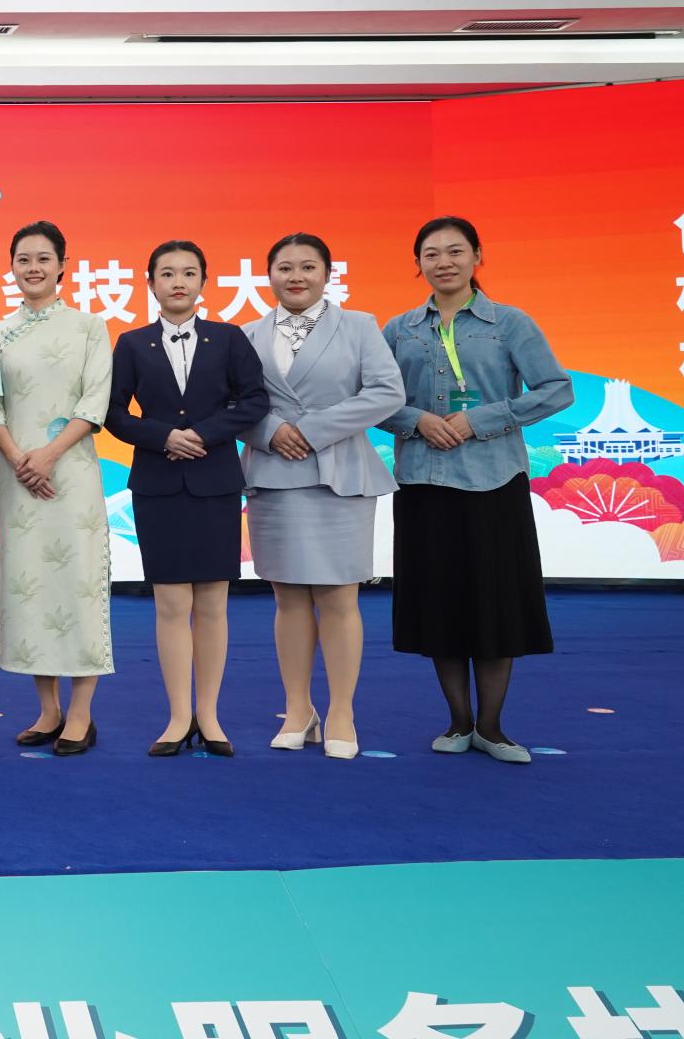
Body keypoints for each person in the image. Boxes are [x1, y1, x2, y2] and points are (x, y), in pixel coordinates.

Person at [381, 217, 572, 764]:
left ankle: (491, 726)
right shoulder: (400, 330)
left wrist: (482, 419)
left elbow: (557, 390)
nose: (443, 262)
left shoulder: (509, 323)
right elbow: (374, 399)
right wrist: (415, 419)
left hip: (494, 482)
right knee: (438, 604)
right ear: (417, 263)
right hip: (424, 484)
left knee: (495, 604)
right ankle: (458, 721)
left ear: (477, 256)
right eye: (431, 254)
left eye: (455, 251)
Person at [241, 233, 404, 760]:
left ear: (327, 273)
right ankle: (298, 709)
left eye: (308, 266)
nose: (296, 276)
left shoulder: (359, 326)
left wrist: (310, 431)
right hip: (274, 474)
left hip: (341, 475)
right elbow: (230, 403)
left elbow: (387, 392)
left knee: (338, 598)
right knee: (288, 598)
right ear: (268, 275)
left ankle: (341, 713)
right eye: (285, 267)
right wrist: (270, 431)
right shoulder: (246, 335)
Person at [108, 240, 270, 758]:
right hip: (157, 486)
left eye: (188, 273)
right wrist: (163, 437)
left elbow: (255, 400)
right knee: (172, 604)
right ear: (150, 283)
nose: (178, 282)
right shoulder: (132, 344)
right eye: (167, 273)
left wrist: (202, 434)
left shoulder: (229, 338)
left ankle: (210, 715)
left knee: (214, 604)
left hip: (214, 482)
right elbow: (113, 413)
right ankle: (178, 717)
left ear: (203, 281)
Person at [0, 221, 115, 757]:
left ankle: (81, 713)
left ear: (63, 265)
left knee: (78, 586)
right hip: (17, 479)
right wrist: (20, 459)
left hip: (72, 474)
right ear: (11, 267)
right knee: (30, 589)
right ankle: (48, 709)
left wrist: (50, 455)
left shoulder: (89, 327)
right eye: (23, 259)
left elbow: (95, 401)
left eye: (43, 258)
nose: (33, 268)